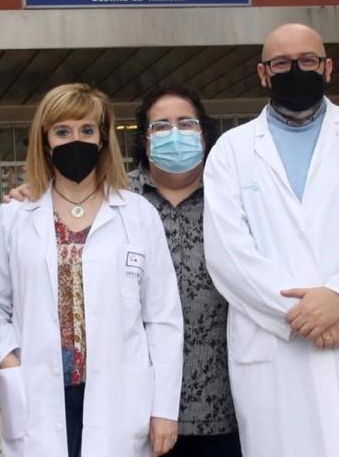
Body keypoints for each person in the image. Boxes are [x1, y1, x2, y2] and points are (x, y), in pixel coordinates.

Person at [202, 23, 339, 457]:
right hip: (278, 343)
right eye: (281, 63)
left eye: (308, 61)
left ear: (327, 67)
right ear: (263, 73)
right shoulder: (231, 150)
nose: (295, 70)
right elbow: (229, 253)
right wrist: (301, 314)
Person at [0, 83, 183, 457]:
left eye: (86, 130)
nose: (74, 140)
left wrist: (163, 410)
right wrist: (8, 358)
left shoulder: (137, 214)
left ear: (102, 139)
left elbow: (162, 319)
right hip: (40, 392)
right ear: (45, 142)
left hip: (119, 397)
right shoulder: (16, 216)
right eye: (62, 131)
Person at [130, 86, 242, 456]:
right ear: (145, 141)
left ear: (204, 134)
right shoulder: (118, 198)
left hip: (224, 404)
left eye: (186, 123)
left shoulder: (233, 196)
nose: (174, 134)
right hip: (137, 407)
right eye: (160, 126)